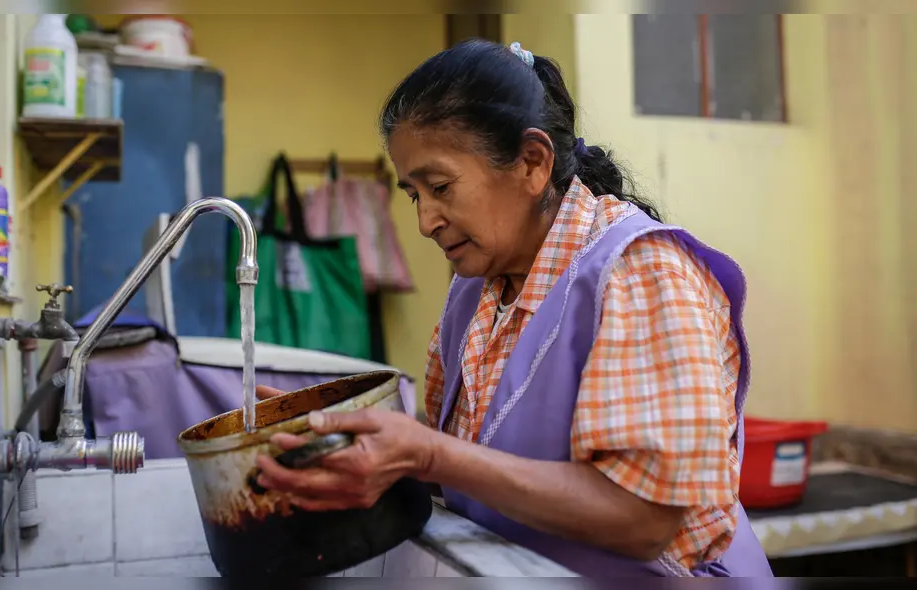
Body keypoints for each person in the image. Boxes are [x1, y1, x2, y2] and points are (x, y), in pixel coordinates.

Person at [253, 39, 773, 578]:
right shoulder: (475, 290)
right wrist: (356, 437)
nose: (426, 220)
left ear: (531, 162)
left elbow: (644, 521)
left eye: (440, 186)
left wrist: (427, 453)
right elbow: (460, 459)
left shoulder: (640, 273)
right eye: (414, 194)